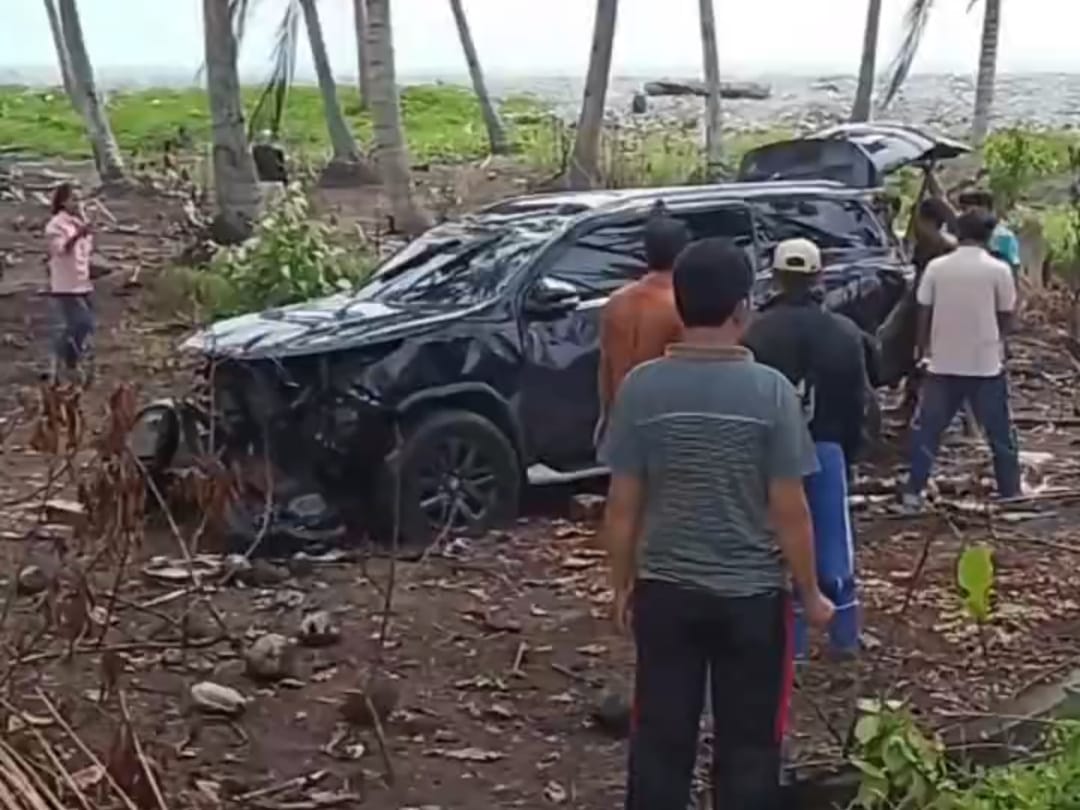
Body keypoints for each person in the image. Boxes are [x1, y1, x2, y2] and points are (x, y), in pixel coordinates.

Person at [599, 237, 834, 809]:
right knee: (751, 741)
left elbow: (623, 501)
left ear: (680, 306)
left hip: (666, 593)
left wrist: (621, 583)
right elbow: (789, 508)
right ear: (743, 308)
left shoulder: (642, 388)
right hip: (751, 599)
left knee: (660, 733)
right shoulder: (771, 393)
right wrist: (811, 592)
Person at [742, 238, 867, 658]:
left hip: (770, 456)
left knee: (778, 544)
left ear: (776, 276)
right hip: (826, 446)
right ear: (819, 275)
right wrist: (850, 451)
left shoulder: (755, 333)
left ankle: (789, 647)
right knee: (835, 549)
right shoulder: (843, 332)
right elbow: (857, 402)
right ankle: (844, 636)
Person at [904, 210, 1021, 509]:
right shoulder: (998, 269)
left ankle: (912, 493)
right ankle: (1010, 493)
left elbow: (923, 311)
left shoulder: (937, 267)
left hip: (942, 362)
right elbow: (1006, 313)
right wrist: (999, 342)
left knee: (927, 433)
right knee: (1000, 434)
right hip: (985, 363)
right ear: (988, 235)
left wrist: (922, 350)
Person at [595, 204, 689, 441]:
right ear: (683, 253)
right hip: (662, 423)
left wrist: (605, 418)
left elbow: (605, 367)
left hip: (623, 420)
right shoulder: (680, 305)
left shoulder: (617, 302)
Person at [44, 182, 94, 384]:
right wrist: (79, 235)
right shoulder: (56, 225)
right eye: (75, 199)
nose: (79, 203)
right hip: (66, 285)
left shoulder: (77, 223)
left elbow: (83, 253)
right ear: (63, 202)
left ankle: (64, 361)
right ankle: (65, 359)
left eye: (80, 198)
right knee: (81, 323)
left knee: (82, 326)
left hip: (82, 281)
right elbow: (60, 249)